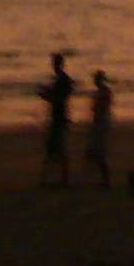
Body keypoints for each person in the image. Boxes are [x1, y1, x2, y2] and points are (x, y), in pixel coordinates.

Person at [38, 52, 75, 187]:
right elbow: (59, 96)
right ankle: (57, 179)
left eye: (55, 63)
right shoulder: (62, 80)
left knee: (56, 149)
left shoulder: (62, 80)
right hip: (59, 117)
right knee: (55, 149)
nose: (54, 66)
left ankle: (56, 179)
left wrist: (45, 95)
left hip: (58, 118)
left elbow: (57, 98)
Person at [85, 70, 114, 187]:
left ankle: (105, 180)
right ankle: (102, 179)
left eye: (96, 79)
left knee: (99, 152)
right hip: (99, 122)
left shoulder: (104, 92)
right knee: (96, 151)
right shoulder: (102, 92)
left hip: (101, 123)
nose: (95, 81)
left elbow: (100, 107)